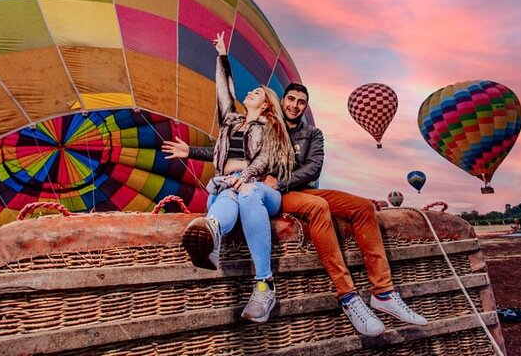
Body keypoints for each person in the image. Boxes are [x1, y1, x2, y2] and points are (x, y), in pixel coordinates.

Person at [164, 82, 426, 337]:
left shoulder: (312, 134)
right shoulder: (269, 125)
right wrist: (192, 152)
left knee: (362, 207)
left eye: (302, 102)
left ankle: (384, 293)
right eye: (291, 99)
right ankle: (348, 296)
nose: (295, 105)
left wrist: (281, 181)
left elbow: (313, 168)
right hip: (278, 195)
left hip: (294, 187)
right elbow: (231, 149)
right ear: (280, 101)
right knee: (318, 207)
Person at [177, 31, 294, 324]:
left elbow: (266, 157)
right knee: (230, 193)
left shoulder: (272, 128)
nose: (251, 92)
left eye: (257, 92)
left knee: (247, 192)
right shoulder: (231, 122)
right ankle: (211, 235)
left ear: (266, 104)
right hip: (228, 183)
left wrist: (249, 176)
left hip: (262, 190)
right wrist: (222, 57)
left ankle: (265, 285)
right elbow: (223, 94)